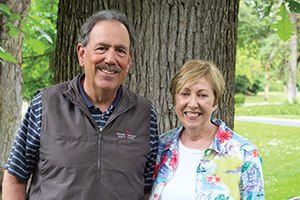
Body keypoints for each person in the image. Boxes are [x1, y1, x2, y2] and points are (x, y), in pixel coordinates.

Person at [2, 10, 158, 200]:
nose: (110, 59)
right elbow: (15, 177)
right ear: (82, 54)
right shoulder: (45, 104)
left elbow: (147, 189)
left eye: (120, 51)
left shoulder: (145, 114)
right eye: (102, 48)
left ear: (129, 61)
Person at [149, 60, 264, 199]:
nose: (192, 104)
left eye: (202, 95)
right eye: (185, 94)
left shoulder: (245, 154)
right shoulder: (161, 147)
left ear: (215, 102)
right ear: (175, 99)